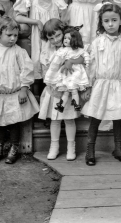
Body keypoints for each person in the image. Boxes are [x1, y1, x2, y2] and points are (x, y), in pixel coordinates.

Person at [81, 3, 121, 166]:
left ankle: (118, 148)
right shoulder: (97, 42)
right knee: (95, 117)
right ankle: (90, 149)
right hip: (100, 84)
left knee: (117, 117)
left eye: (114, 20)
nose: (111, 24)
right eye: (106, 21)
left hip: (118, 85)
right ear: (102, 23)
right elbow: (91, 65)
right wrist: (88, 85)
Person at [0, 17, 39, 164]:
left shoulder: (19, 52)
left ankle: (14, 148)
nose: (13, 38)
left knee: (14, 123)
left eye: (15, 35)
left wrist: (24, 89)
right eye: (9, 35)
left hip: (14, 94)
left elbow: (27, 70)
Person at [38, 19, 83, 161]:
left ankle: (71, 147)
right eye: (51, 38)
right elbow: (46, 69)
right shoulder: (48, 51)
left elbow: (81, 62)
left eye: (58, 36)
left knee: (69, 120)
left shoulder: (72, 48)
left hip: (68, 90)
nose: (55, 40)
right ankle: (54, 146)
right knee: (55, 120)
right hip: (54, 90)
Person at [13, 0, 68, 79]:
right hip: (37, 37)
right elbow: (18, 17)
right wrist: (35, 21)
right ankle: (38, 91)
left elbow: (64, 21)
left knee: (54, 64)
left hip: (54, 39)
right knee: (38, 62)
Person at [45, 27, 89, 116]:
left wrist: (87, 63)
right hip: (66, 73)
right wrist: (49, 61)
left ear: (75, 39)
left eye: (69, 38)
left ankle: (76, 104)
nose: (65, 40)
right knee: (66, 90)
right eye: (65, 38)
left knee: (73, 89)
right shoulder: (63, 50)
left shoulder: (79, 50)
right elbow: (56, 56)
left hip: (75, 72)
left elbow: (86, 56)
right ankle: (61, 105)